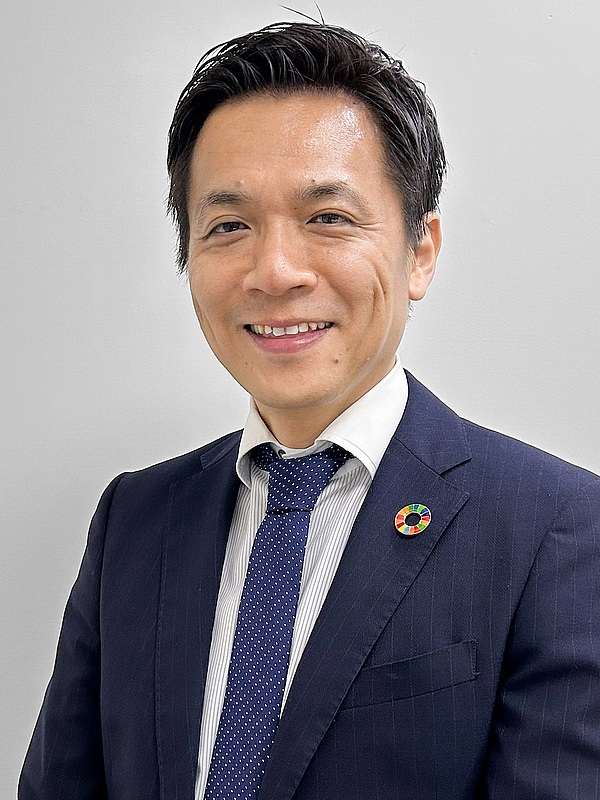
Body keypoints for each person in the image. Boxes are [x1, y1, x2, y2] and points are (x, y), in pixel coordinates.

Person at [19, 21, 600, 800]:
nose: (275, 271)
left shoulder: (557, 528)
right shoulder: (136, 519)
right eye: (229, 226)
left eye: (328, 217)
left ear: (420, 251)